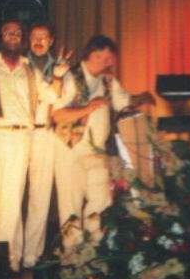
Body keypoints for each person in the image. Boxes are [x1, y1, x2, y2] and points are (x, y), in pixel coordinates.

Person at [0, 19, 66, 273]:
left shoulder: (30, 70)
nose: (13, 36)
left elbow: (52, 95)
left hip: (20, 138)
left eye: (17, 33)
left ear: (21, 38)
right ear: (1, 36)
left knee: (12, 199)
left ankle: (9, 259)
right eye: (8, 32)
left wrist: (58, 76)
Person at [52, 34, 154, 249]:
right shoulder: (70, 77)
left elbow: (124, 103)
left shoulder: (108, 81)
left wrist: (141, 98)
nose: (105, 63)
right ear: (89, 55)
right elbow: (58, 115)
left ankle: (94, 249)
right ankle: (72, 254)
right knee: (70, 204)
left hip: (97, 150)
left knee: (102, 199)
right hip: (70, 149)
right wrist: (88, 107)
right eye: (101, 57)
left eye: (109, 59)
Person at [22, 23, 73, 269]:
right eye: (34, 36)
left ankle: (31, 256)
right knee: (11, 197)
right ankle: (9, 255)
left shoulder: (62, 67)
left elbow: (64, 102)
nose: (38, 41)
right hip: (18, 134)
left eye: (43, 37)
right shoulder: (19, 64)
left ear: (51, 40)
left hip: (45, 134)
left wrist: (59, 77)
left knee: (39, 198)